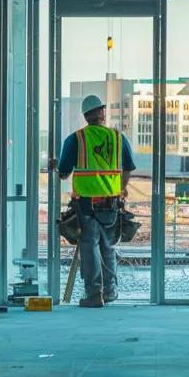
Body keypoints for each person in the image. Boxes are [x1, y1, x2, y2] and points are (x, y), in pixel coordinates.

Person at [50, 94, 136, 307]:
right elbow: (128, 168)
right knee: (108, 247)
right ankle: (110, 292)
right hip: (111, 203)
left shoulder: (76, 139)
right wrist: (122, 189)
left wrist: (55, 165)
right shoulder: (118, 138)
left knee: (90, 247)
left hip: (87, 205)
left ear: (86, 116)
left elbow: (63, 174)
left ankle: (94, 294)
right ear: (101, 113)